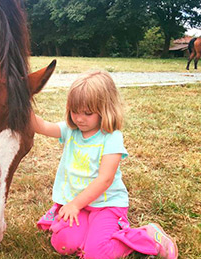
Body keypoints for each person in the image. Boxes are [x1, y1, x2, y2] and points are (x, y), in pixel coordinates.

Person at [31, 70, 178, 259]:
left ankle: (147, 236)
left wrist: (75, 204)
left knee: (96, 254)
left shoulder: (111, 138)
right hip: (80, 205)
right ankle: (89, 237)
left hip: (106, 205)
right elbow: (41, 127)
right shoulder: (71, 130)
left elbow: (105, 179)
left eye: (88, 113)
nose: (79, 118)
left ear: (105, 109)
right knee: (64, 244)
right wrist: (18, 102)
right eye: (74, 111)